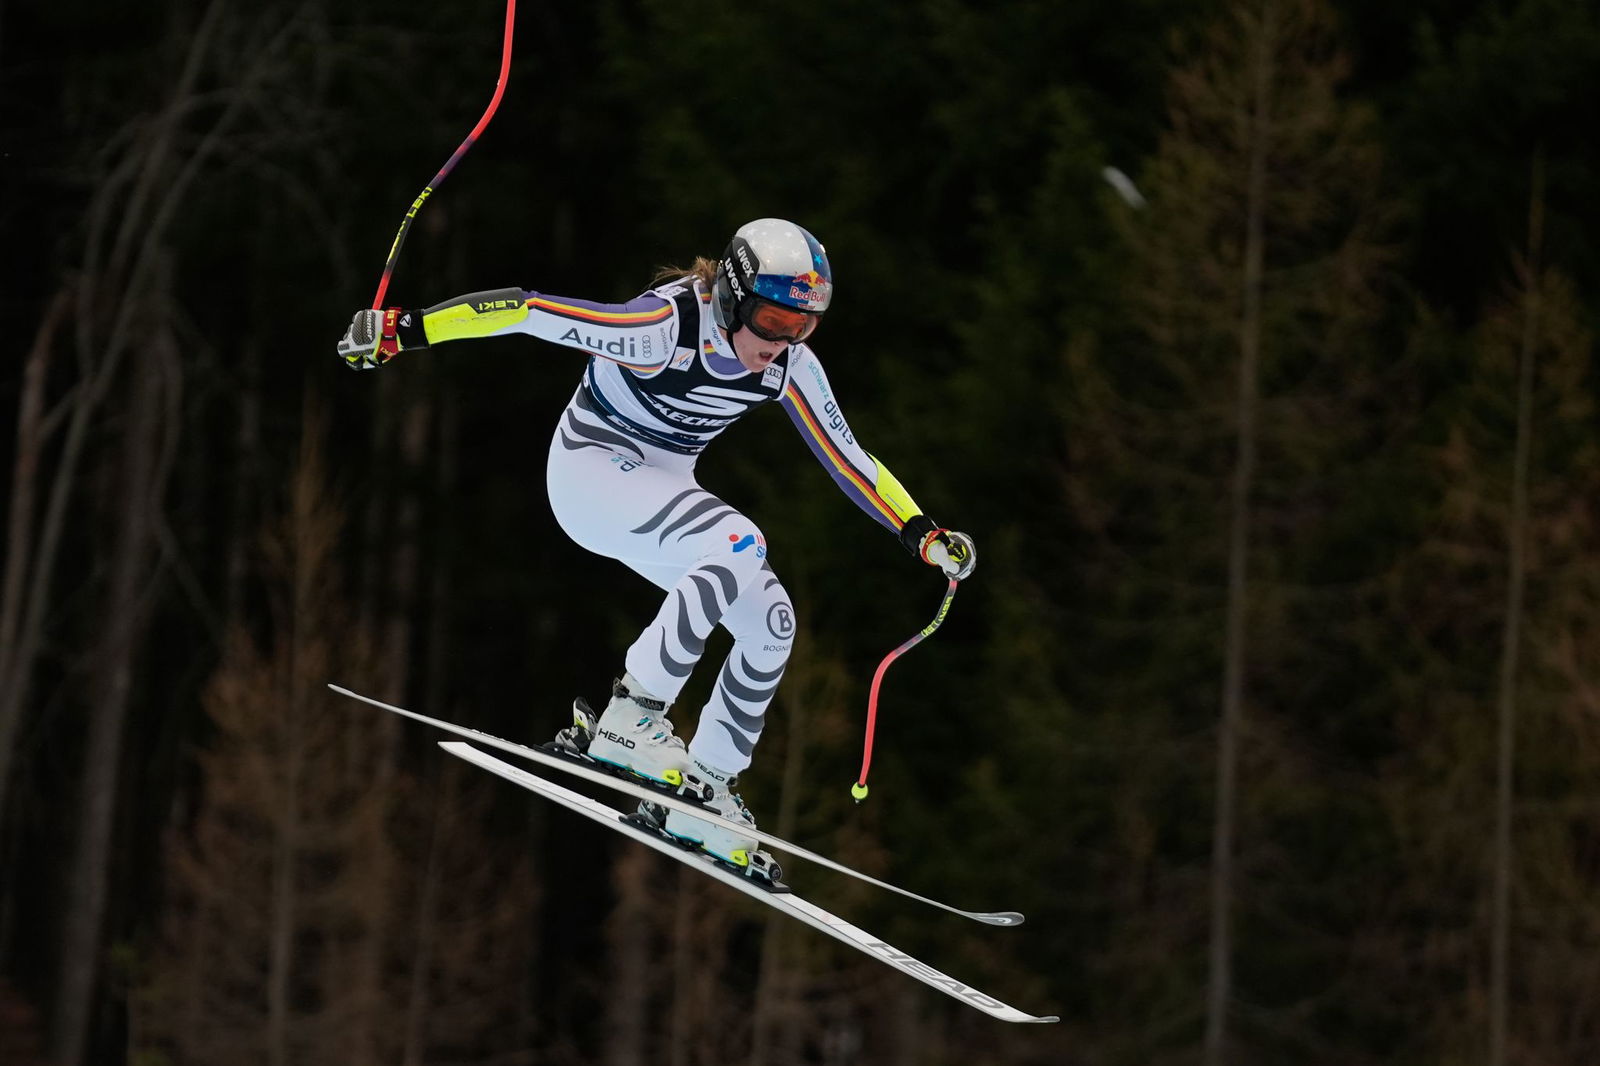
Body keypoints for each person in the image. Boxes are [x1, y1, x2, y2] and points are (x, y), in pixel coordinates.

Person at [336, 218, 975, 877]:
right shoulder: (661, 329)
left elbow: (849, 460)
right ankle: (631, 715)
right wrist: (404, 330)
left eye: (802, 326)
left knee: (771, 621)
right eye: (772, 321)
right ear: (733, 298)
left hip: (660, 490)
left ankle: (706, 788)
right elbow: (527, 310)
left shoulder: (789, 367)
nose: (781, 342)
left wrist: (922, 532)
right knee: (740, 541)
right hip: (589, 474)